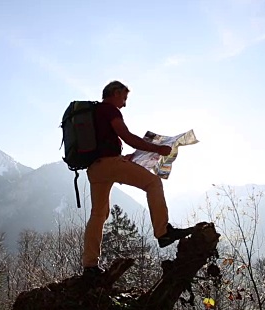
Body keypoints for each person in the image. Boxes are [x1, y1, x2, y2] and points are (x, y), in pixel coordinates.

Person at [82, 80, 193, 276]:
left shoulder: (94, 113)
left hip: (95, 168)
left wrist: (123, 157)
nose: (125, 103)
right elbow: (127, 136)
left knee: (98, 215)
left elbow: (105, 144)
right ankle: (163, 232)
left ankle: (90, 265)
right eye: (124, 98)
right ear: (115, 93)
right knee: (153, 182)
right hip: (110, 164)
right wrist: (158, 148)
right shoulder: (110, 110)